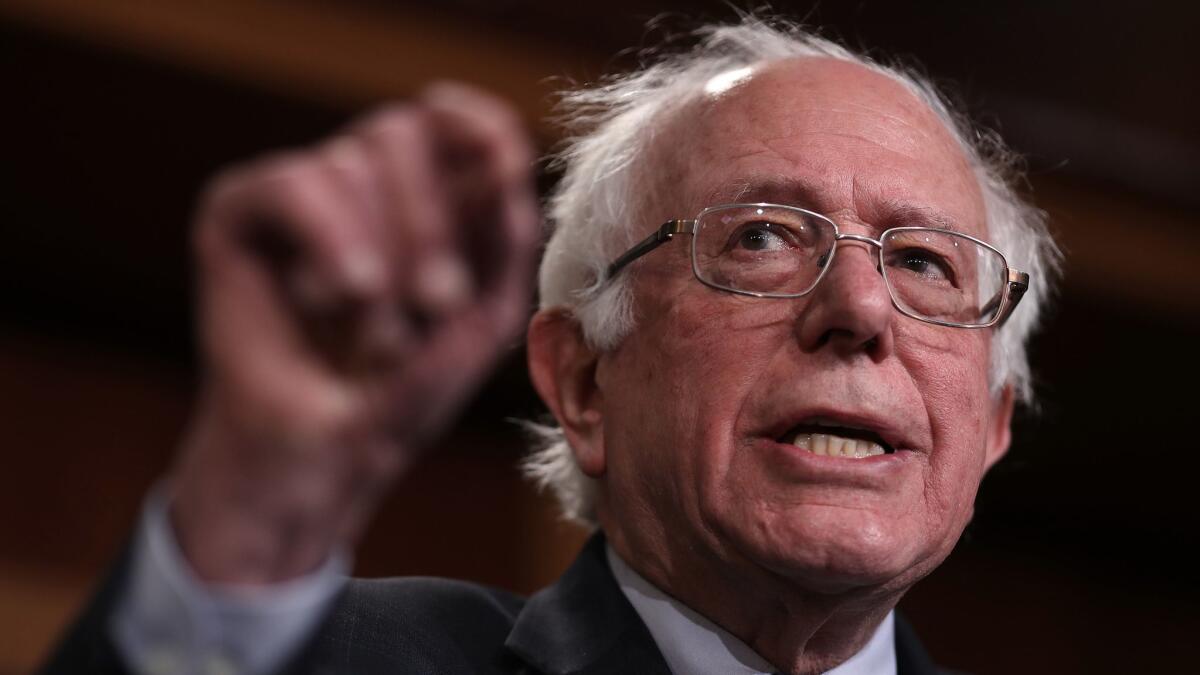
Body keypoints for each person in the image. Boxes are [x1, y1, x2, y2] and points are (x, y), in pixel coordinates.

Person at [39, 16, 1059, 675]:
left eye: (926, 262)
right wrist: (258, 511)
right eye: (760, 238)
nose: (862, 309)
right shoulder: (332, 659)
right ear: (581, 383)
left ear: (994, 423)